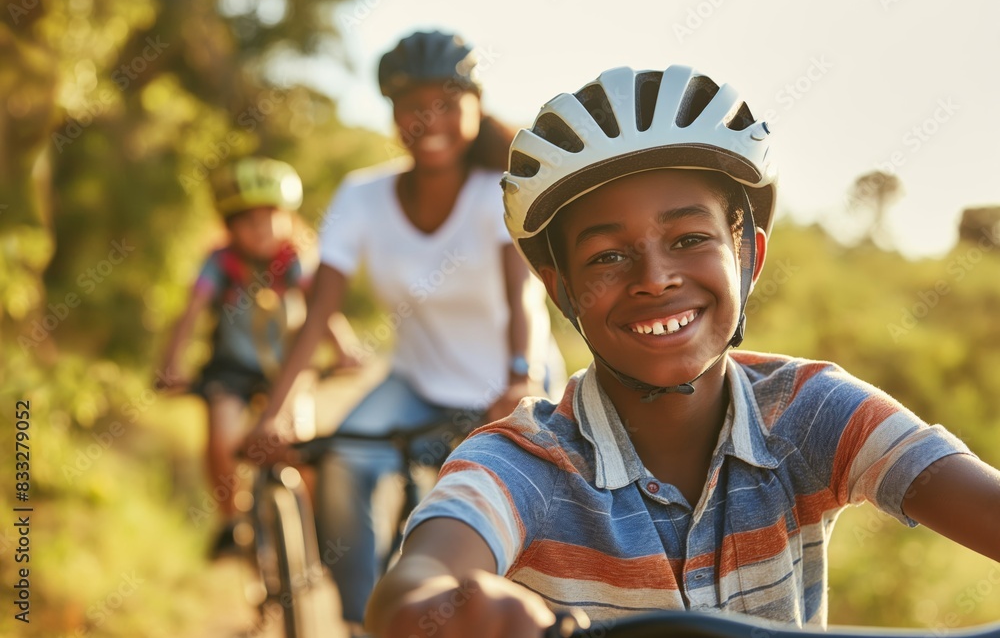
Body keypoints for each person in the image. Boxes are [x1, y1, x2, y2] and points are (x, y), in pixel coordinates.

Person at [366, 65, 1000, 636]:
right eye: (607, 256)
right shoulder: (524, 464)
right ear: (562, 292)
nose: (653, 277)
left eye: (690, 237)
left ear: (750, 256)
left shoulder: (811, 412)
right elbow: (414, 584)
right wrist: (445, 609)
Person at [242, 31, 564, 632]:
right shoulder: (362, 196)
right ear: (392, 114)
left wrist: (518, 380)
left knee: (524, 499)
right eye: (412, 105)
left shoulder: (497, 192)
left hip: (511, 381)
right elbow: (319, 312)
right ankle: (366, 621)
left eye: (446, 102)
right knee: (344, 465)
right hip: (416, 382)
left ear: (475, 106)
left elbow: (523, 293)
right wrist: (276, 410)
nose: (429, 118)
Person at [157, 156, 361, 556]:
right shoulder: (220, 263)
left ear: (288, 218)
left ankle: (320, 530)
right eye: (249, 220)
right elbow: (192, 311)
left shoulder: (296, 258)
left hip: (288, 370)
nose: (262, 227)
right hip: (230, 370)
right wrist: (170, 366)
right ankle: (231, 521)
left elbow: (321, 308)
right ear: (229, 225)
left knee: (300, 444)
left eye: (271, 216)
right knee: (221, 436)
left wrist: (345, 349)